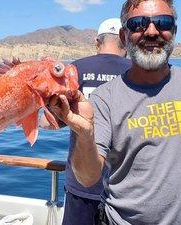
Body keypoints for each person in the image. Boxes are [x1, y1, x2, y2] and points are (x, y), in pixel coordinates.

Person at [45, 0, 181, 224]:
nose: (152, 31)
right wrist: (84, 134)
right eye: (138, 24)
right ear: (125, 37)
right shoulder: (104, 98)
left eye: (163, 23)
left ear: (173, 31)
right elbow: (87, 178)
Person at [41, 18, 131, 225]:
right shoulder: (139, 73)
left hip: (82, 185)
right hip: (127, 189)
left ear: (97, 42)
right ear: (125, 41)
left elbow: (46, 123)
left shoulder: (75, 70)